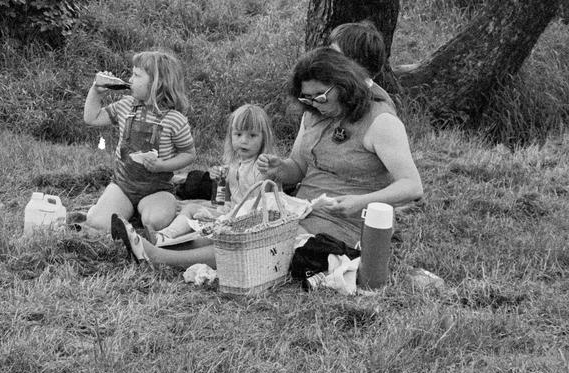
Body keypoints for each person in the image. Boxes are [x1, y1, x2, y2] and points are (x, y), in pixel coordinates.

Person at [112, 48, 423, 267]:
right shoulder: (315, 116)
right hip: (300, 208)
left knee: (257, 243)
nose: (314, 103)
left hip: (347, 223)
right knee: (232, 229)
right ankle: (158, 246)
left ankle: (158, 257)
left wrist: (360, 201)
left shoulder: (380, 122)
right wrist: (277, 168)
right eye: (307, 98)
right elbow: (297, 169)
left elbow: (412, 187)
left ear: (344, 84)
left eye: (321, 96)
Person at [82, 51, 196, 234]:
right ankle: (121, 209)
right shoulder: (125, 106)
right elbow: (92, 118)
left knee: (155, 222)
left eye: (136, 75)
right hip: (123, 186)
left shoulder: (175, 120)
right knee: (97, 223)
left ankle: (148, 210)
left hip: (157, 190)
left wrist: (162, 165)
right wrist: (95, 91)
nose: (130, 79)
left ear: (156, 83)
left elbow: (189, 154)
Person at [152, 104, 276, 244]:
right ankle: (165, 234)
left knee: (204, 231)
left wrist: (268, 170)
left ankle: (174, 242)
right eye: (238, 134)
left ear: (264, 138)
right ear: (231, 136)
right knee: (191, 208)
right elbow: (224, 198)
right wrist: (219, 182)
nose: (244, 140)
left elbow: (265, 204)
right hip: (230, 216)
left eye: (252, 135)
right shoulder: (234, 163)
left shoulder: (262, 165)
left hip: (248, 223)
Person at [328, 19, 398, 99]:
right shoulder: (339, 88)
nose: (327, 56)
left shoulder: (375, 105)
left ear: (356, 63)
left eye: (335, 53)